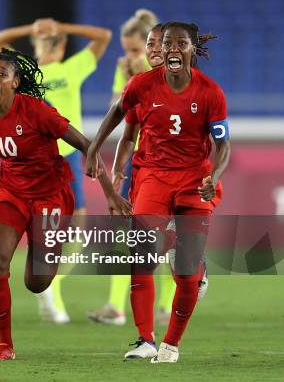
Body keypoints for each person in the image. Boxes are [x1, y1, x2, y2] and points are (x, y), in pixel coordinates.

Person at [0, 48, 130, 360]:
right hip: (10, 192)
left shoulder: (37, 111)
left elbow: (87, 145)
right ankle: (4, 345)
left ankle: (45, 250)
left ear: (16, 83)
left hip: (51, 194)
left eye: (2, 74)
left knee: (37, 282)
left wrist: (110, 193)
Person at [85, 22, 230, 363]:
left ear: (192, 50)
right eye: (168, 43)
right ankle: (145, 340)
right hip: (152, 176)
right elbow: (118, 115)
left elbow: (223, 145)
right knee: (143, 256)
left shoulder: (210, 92)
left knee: (186, 272)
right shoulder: (141, 85)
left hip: (194, 179)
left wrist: (215, 175)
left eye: (181, 43)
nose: (173, 49)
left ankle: (171, 345)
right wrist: (94, 148)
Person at [0, 18, 112, 323]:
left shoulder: (53, 70)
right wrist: (44, 28)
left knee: (66, 229)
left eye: (53, 41)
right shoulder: (27, 72)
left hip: (62, 153)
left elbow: (103, 36)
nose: (52, 45)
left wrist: (54, 27)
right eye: (48, 41)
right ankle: (51, 289)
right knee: (66, 230)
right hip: (51, 157)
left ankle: (50, 289)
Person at [88, 11, 177, 327]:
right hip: (138, 162)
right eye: (126, 50)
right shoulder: (128, 72)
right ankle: (115, 305)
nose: (130, 56)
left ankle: (167, 305)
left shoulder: (172, 74)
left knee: (164, 236)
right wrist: (130, 79)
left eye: (136, 50)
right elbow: (119, 107)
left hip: (166, 166)